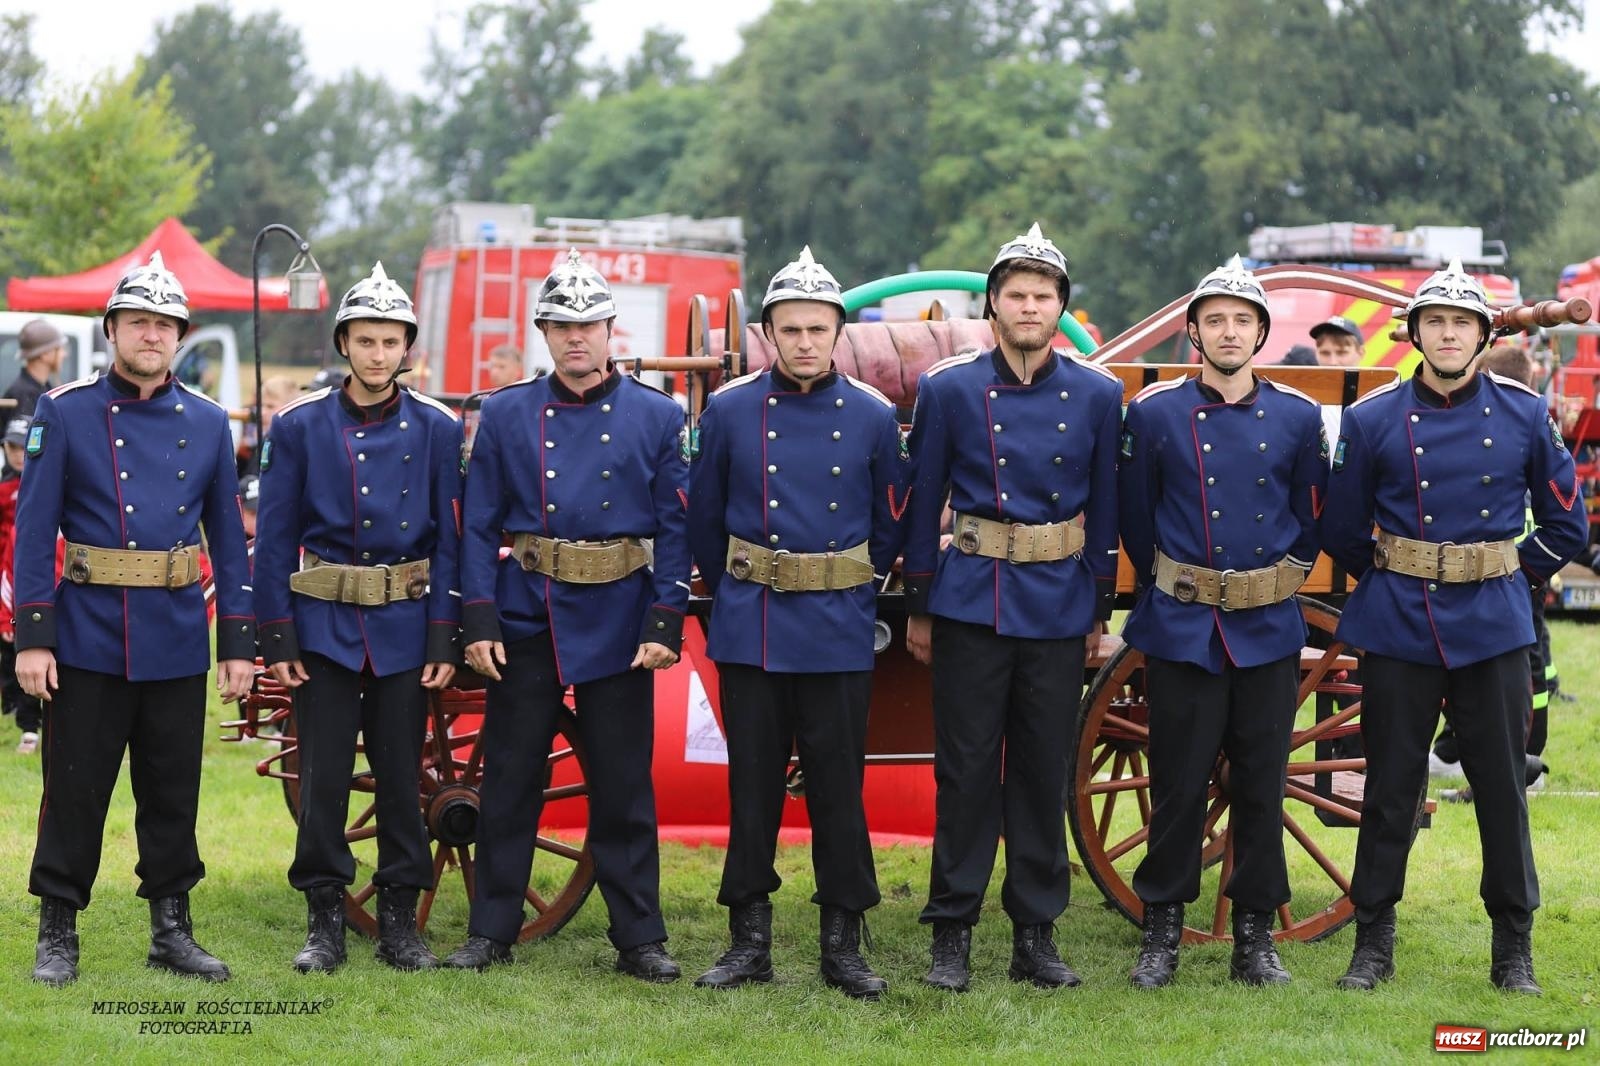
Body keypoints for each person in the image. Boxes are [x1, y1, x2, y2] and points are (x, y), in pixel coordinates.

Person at [1321, 259, 1587, 996]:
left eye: (1460, 323)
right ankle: (1372, 945)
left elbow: (1569, 523)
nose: (1446, 333)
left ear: (1479, 334)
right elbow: (1342, 526)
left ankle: (1514, 951)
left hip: (1494, 628)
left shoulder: (1524, 412)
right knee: (1388, 789)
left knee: (1501, 789)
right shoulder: (1373, 418)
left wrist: (1505, 571)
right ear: (1415, 334)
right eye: (1434, 321)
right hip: (1401, 622)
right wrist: (1400, 570)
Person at [442, 249, 690, 982]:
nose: (575, 337)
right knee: (511, 776)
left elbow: (678, 527)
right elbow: (477, 524)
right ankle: (491, 929)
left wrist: (665, 618)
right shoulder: (509, 411)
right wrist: (478, 619)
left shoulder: (657, 413)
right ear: (542, 332)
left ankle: (639, 937)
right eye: (560, 325)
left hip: (620, 611)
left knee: (622, 781)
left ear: (612, 328)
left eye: (588, 324)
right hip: (528, 613)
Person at [14, 252, 256, 986]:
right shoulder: (65, 410)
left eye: (165, 325)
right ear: (112, 327)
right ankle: (59, 929)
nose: (152, 335)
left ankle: (171, 930)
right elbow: (33, 532)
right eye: (139, 322)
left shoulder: (211, 422)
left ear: (180, 336)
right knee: (76, 787)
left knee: (172, 788)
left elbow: (231, 539)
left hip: (177, 632)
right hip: (87, 632)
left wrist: (237, 644)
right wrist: (33, 638)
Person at [902, 223, 1122, 992]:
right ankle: (951, 933)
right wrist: (921, 606)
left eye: (1043, 295)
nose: (1030, 307)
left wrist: (1099, 608)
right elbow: (924, 497)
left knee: (1041, 772)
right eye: (1016, 295)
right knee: (963, 773)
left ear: (1061, 307)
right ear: (992, 305)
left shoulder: (1100, 395)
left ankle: (1036, 935)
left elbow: (1109, 507)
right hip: (969, 601)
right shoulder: (949, 388)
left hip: (1059, 604)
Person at [688, 248, 905, 1000]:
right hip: (753, 624)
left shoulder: (875, 417)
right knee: (751, 788)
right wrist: (748, 587)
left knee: (839, 790)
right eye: (791, 329)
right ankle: (748, 942)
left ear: (839, 331)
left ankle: (843, 944)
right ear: (768, 333)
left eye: (819, 328)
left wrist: (839, 585)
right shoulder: (730, 410)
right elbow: (704, 522)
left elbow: (891, 526)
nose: (806, 341)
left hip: (839, 625)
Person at [1118, 256, 1328, 988]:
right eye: (1216, 321)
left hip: (1267, 628)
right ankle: (1162, 933)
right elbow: (1137, 522)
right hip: (1182, 626)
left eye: (1243, 320)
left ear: (1263, 333)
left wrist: (1274, 582)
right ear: (1195, 334)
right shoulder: (1152, 414)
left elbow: (1311, 518)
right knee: (1176, 786)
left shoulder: (1299, 417)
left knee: (1263, 785)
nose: (1230, 332)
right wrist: (1182, 583)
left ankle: (1253, 938)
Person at [254, 263, 464, 974]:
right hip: (321, 631)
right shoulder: (301, 425)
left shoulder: (438, 427)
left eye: (391, 342)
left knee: (405, 778)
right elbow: (274, 538)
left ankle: (401, 920)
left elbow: (449, 538)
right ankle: (325, 921)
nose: (378, 355)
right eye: (365, 341)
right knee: (322, 782)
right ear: (345, 342)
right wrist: (275, 635)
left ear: (408, 347)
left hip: (406, 630)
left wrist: (443, 634)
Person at [1431, 344, 1557, 798]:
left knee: (1527, 667)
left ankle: (1524, 760)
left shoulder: (1520, 422)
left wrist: (1520, 570)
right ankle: (1454, 749)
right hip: (1510, 574)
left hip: (1510, 574)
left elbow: (1563, 518)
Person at [0, 416, 42, 754]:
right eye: (11, 447)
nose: (17, 454)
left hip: (54, 586)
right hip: (14, 572)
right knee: (16, 652)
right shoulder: (4, 488)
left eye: (21, 447)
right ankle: (22, 717)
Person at [3, 319, 66, 421]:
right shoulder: (24, 394)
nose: (64, 354)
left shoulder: (42, 388)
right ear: (45, 354)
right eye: (59, 349)